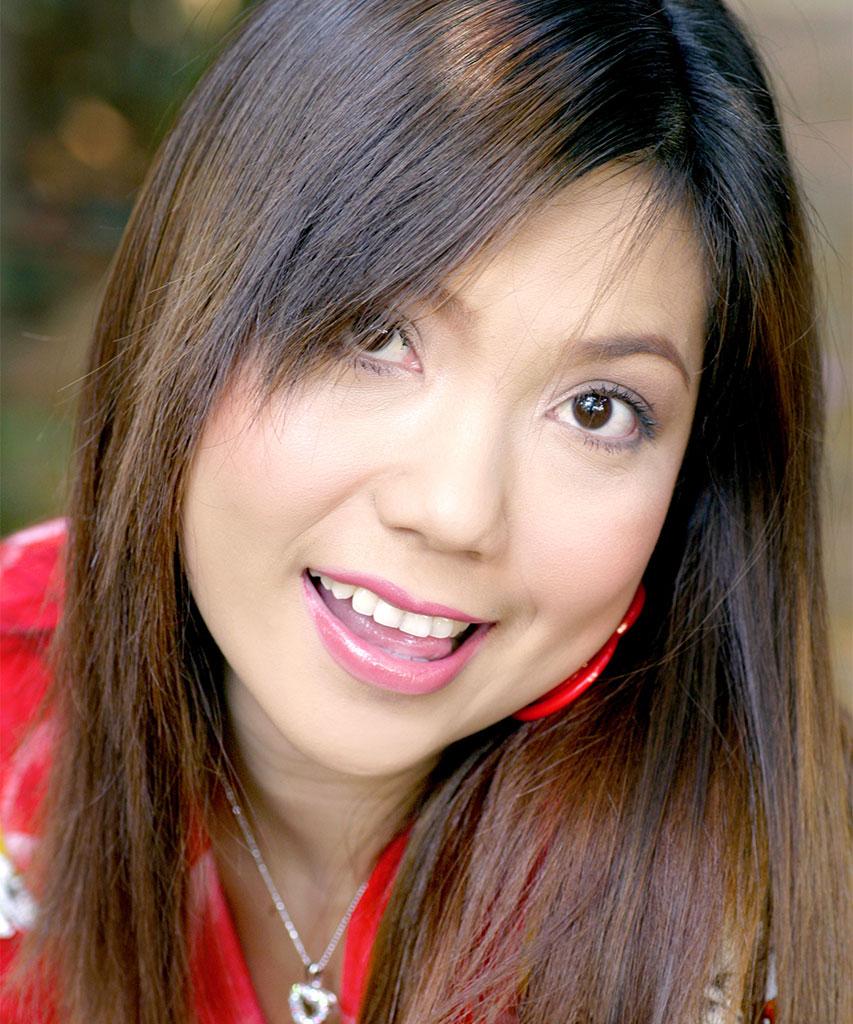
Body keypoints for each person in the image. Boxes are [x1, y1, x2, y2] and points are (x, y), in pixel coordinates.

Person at [0, 1, 848, 1022]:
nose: (454, 510)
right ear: (193, 304)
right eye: (375, 334)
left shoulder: (776, 926)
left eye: (597, 409)